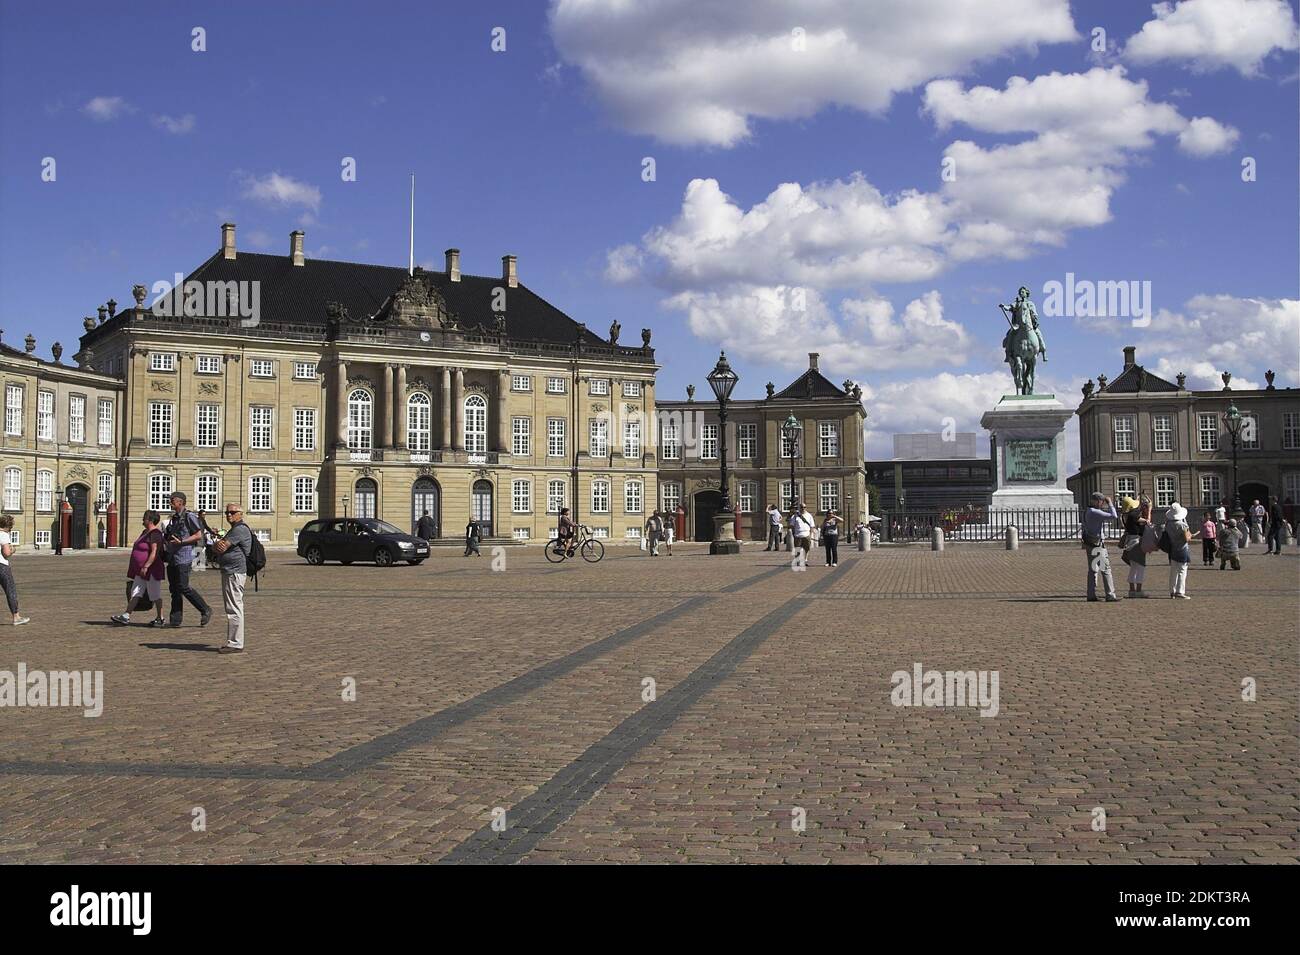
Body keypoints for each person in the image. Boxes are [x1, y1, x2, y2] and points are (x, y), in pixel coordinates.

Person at [163, 491, 213, 628]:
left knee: (183, 587)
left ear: (180, 502)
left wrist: (182, 541)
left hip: (184, 557)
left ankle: (205, 609)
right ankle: (175, 619)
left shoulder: (189, 516)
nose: (170, 502)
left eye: (172, 500)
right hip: (173, 557)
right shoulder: (174, 518)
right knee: (174, 589)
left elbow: (198, 535)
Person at [110, 511, 167, 627]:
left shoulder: (155, 533)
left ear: (150, 520)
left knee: (154, 594)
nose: (143, 520)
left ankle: (160, 618)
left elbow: (154, 552)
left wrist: (146, 566)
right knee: (136, 592)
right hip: (141, 570)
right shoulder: (145, 532)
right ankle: (126, 615)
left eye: (144, 518)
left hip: (152, 569)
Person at [211, 502, 253, 653]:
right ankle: (234, 641)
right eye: (227, 512)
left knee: (234, 608)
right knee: (232, 607)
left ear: (240, 514)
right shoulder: (233, 529)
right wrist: (217, 545)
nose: (229, 515)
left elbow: (221, 547)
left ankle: (236, 643)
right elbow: (218, 547)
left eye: (233, 512)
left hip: (234, 572)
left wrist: (217, 545)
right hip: (230, 571)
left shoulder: (239, 529)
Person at [1082, 491, 1120, 602]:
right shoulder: (1095, 512)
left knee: (1093, 569)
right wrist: (1111, 504)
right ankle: (1110, 594)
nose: (1102, 504)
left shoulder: (1088, 511)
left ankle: (1091, 594)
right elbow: (1114, 516)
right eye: (1102, 502)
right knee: (1106, 569)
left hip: (1090, 543)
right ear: (1097, 501)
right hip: (1098, 545)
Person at [0, 514, 29, 626]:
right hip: (2, 566)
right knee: (10, 590)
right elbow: (6, 553)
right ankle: (16, 617)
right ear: (8, 526)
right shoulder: (3, 535)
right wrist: (13, 550)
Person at [1118, 495, 1150, 598]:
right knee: (1140, 567)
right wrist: (1149, 510)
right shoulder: (1133, 515)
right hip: (1137, 543)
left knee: (1133, 568)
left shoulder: (1126, 516)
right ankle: (1138, 590)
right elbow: (1146, 521)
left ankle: (1131, 590)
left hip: (1129, 543)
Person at [1164, 502, 1194, 599]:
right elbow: (1186, 538)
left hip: (1173, 548)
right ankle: (1180, 591)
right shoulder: (1182, 525)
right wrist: (1190, 535)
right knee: (1182, 570)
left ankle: (1172, 591)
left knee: (1173, 571)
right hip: (1182, 549)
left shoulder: (1168, 524)